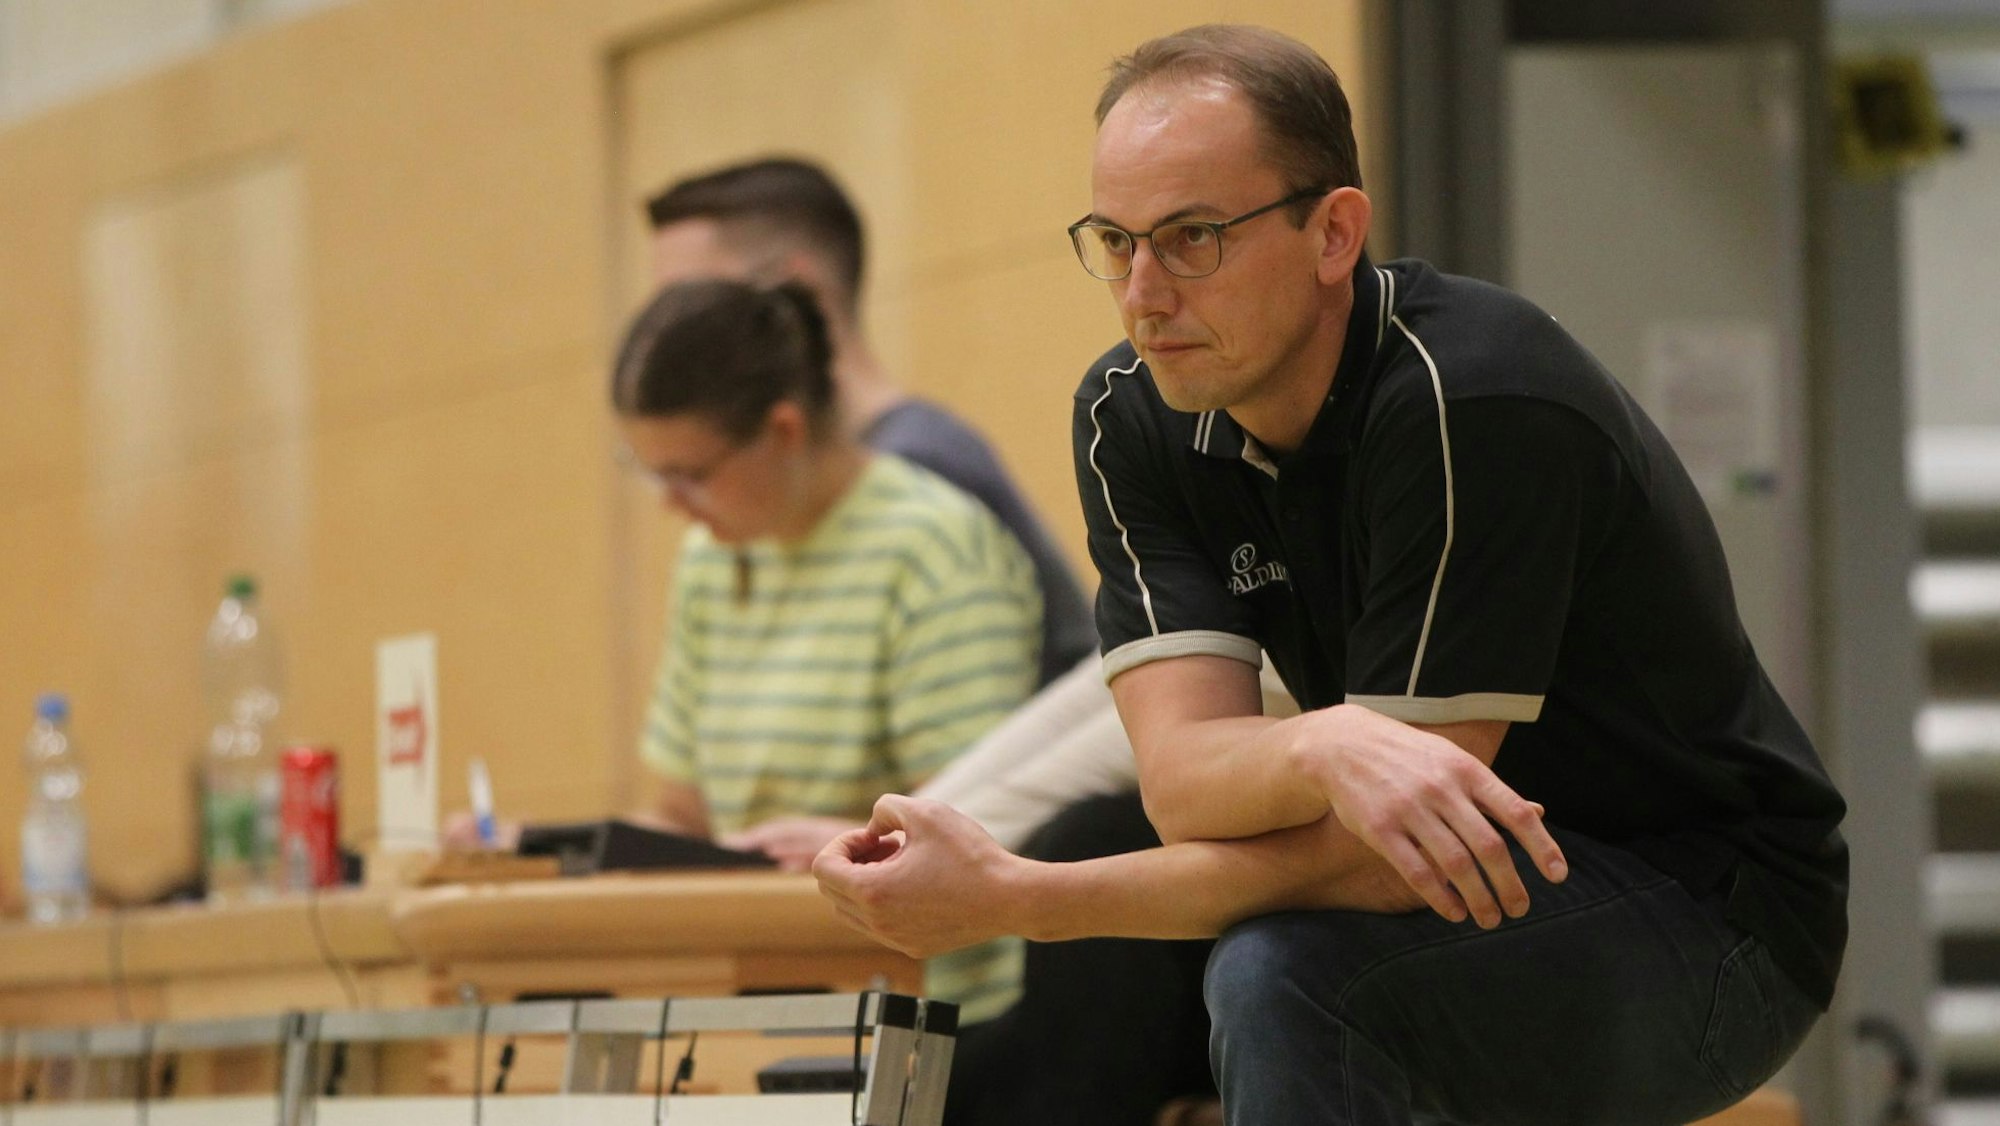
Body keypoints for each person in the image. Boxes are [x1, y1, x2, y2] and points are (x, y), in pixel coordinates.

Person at [815, 24, 1848, 1126]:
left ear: (1333, 232)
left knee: (1287, 972)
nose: (1143, 294)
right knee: (1137, 946)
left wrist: (1019, 898)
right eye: (1115, 242)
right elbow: (1181, 786)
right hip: (1461, 891)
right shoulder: (1133, 415)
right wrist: (1322, 738)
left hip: (1711, 911)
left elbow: (1401, 859)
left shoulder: (1468, 398)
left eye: (1192, 236)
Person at [648, 156, 1225, 1125]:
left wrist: (896, 832)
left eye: (695, 302)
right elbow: (1120, 682)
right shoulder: (732, 535)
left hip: (1008, 962)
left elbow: (1150, 720)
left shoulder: (924, 493)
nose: (668, 336)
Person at [612, 277, 1040, 1020]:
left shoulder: (933, 548)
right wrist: (544, 853)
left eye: (689, 474)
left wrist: (851, 847)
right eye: (649, 471)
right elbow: (684, 817)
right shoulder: (709, 561)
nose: (668, 502)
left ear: (783, 431)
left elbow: (978, 829)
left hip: (936, 1016)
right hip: (760, 993)